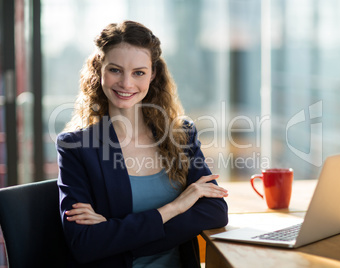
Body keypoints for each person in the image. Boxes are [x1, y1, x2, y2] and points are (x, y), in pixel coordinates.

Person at [56, 20, 228, 267]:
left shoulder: (181, 134)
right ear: (99, 69)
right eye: (115, 70)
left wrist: (116, 236)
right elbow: (85, 244)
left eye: (139, 72)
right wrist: (175, 208)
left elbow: (215, 210)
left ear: (153, 74)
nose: (126, 84)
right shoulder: (76, 147)